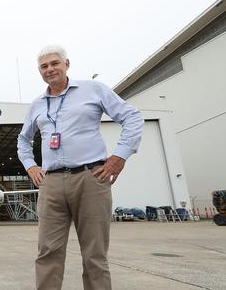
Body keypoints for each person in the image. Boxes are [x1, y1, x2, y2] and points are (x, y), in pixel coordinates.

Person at [17, 45, 143, 290]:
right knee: (47, 252)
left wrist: (120, 156)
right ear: (39, 71)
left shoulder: (93, 90)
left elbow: (132, 117)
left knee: (94, 254)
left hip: (91, 178)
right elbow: (23, 140)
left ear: (67, 64)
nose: (50, 69)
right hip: (51, 183)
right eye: (44, 66)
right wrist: (31, 166)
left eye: (55, 63)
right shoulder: (37, 105)